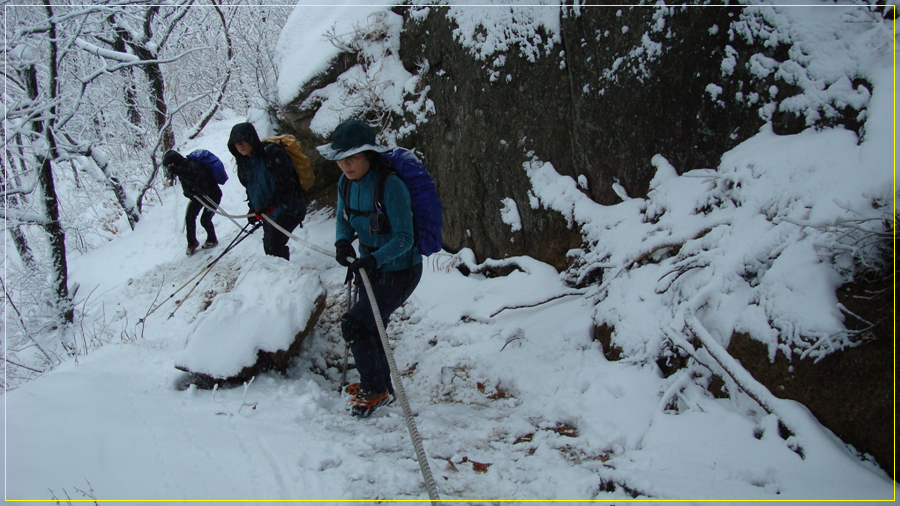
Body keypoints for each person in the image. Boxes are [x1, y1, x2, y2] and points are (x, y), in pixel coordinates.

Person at [318, 120, 423, 418]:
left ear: (368, 155)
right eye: (340, 158)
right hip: (369, 266)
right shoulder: (345, 184)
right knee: (372, 325)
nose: (345, 165)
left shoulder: (392, 186)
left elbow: (405, 237)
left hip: (401, 269)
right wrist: (342, 243)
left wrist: (375, 259)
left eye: (352, 157)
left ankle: (375, 388)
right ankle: (379, 385)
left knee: (356, 323)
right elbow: (343, 218)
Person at [227, 122, 306, 260]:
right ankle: (281, 275)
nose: (240, 146)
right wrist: (253, 209)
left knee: (274, 247)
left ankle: (285, 277)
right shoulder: (244, 162)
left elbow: (285, 183)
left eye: (242, 141)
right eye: (236, 143)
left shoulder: (271, 153)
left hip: (289, 209)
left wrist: (269, 206)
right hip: (269, 213)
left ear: (250, 138)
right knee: (270, 248)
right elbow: (251, 188)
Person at [162, 150, 221, 256]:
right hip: (198, 197)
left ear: (174, 162)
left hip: (212, 194)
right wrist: (190, 193)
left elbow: (202, 180)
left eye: (169, 165)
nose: (169, 168)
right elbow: (187, 190)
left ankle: (212, 239)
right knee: (190, 217)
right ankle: (192, 242)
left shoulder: (192, 165)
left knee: (205, 219)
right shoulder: (180, 171)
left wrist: (181, 173)